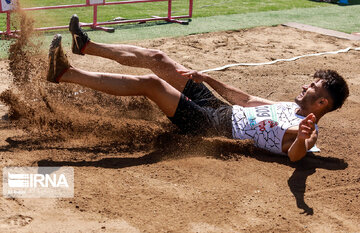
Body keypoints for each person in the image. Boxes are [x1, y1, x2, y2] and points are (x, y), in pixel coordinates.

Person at [47, 14, 349, 162]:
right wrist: (207, 79)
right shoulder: (288, 107)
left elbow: (296, 155)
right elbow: (241, 99)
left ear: (322, 103)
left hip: (211, 128)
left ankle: (65, 74)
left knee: (152, 84)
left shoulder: (308, 131)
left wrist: (304, 139)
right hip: (221, 110)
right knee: (159, 60)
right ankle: (86, 46)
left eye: (312, 87)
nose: (304, 86)